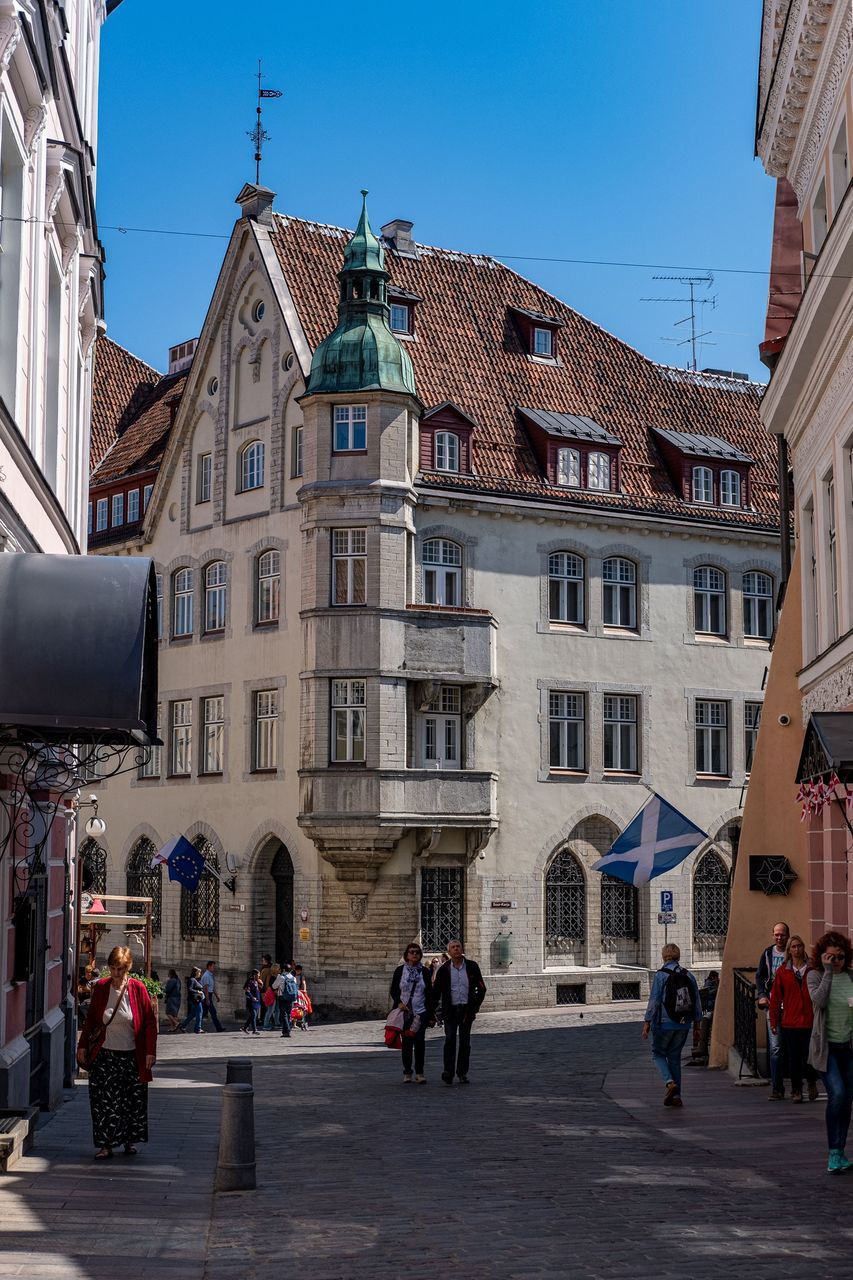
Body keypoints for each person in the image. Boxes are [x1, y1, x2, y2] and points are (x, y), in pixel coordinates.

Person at [76, 945, 157, 1159]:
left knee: (131, 1101)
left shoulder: (138, 989)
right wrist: (82, 1046)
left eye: (120, 969)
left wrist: (150, 1052)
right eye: (112, 968)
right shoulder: (102, 987)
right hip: (105, 1055)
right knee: (103, 1101)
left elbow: (149, 1022)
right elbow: (92, 1020)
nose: (116, 973)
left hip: (131, 1055)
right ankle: (106, 1145)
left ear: (128, 968)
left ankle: (129, 1141)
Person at [807, 931, 853, 1173]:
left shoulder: (851, 977)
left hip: (849, 1047)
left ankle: (841, 1152)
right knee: (837, 1094)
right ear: (822, 956)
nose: (837, 961)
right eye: (831, 957)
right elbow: (819, 1001)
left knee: (847, 1099)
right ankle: (833, 1152)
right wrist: (827, 972)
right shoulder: (814, 976)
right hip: (827, 1049)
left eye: (841, 957)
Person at [642, 943, 702, 1108]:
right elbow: (697, 1001)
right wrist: (697, 1025)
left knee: (658, 1054)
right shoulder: (688, 975)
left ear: (663, 957)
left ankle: (669, 1082)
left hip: (664, 1023)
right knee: (674, 1057)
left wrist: (647, 1021)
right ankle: (676, 1097)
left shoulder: (661, 975)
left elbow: (654, 1001)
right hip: (683, 1024)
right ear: (678, 957)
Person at [769, 935, 819, 1104]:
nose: (797, 949)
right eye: (794, 947)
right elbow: (776, 998)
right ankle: (796, 1089)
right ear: (789, 950)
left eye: (800, 946)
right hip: (790, 1021)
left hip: (810, 1020)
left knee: (810, 1055)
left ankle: (811, 1081)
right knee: (794, 1058)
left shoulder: (812, 969)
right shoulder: (783, 971)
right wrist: (773, 1021)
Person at [431, 939, 487, 1085]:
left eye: (458, 946)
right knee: (449, 1040)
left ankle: (462, 1073)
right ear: (448, 952)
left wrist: (475, 1006)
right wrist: (432, 1010)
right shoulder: (444, 970)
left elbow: (481, 988)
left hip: (466, 1010)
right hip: (450, 1010)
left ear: (461, 949)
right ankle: (448, 1071)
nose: (456, 949)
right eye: (453, 947)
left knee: (465, 1042)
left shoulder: (471, 966)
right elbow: (436, 992)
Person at [756, 921, 790, 1100]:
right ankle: (777, 1088)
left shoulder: (794, 952)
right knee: (775, 1048)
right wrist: (762, 994)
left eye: (782, 934)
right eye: (776, 934)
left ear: (787, 936)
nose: (779, 937)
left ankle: (799, 1085)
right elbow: (760, 976)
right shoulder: (768, 954)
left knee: (793, 1048)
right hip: (773, 1007)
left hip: (792, 1007)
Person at [390, 943, 434, 1083]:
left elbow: (429, 993)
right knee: (407, 1043)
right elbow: (394, 990)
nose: (414, 954)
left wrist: (431, 1013)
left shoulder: (425, 972)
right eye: (411, 952)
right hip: (405, 1013)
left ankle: (420, 1073)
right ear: (407, 954)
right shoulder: (400, 971)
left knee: (420, 1042)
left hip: (420, 1012)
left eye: (417, 952)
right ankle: (407, 1072)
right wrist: (399, 1002)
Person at [686, 970, 719, 1067]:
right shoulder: (709, 983)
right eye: (716, 977)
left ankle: (701, 1048)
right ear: (713, 977)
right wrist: (717, 987)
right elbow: (709, 992)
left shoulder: (710, 982)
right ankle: (701, 1049)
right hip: (710, 1005)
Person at [274, 964, 299, 1037]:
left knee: (284, 1014)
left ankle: (286, 1031)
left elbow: (274, 986)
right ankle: (287, 1030)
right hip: (291, 997)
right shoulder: (293, 978)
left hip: (282, 997)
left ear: (283, 970)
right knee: (288, 1014)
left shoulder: (281, 977)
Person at [179, 967, 205, 1033]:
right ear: (196, 972)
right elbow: (189, 989)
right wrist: (198, 992)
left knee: (192, 1014)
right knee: (199, 1012)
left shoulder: (194, 980)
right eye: (199, 972)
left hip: (196, 999)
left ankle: (183, 1026)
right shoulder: (192, 980)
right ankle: (198, 1028)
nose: (200, 974)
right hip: (195, 1000)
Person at [201, 960, 224, 1032]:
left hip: (209, 995)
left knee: (204, 1013)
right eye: (213, 966)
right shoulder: (206, 975)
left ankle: (219, 1028)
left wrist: (217, 996)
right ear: (209, 966)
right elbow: (206, 988)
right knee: (211, 1013)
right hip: (206, 995)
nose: (214, 968)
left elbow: (212, 987)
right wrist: (207, 999)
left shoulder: (210, 975)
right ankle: (219, 1028)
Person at [293, 964, 312, 1030]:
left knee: (301, 1007)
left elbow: (304, 983)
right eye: (297, 970)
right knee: (296, 1008)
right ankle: (295, 1023)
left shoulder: (301, 976)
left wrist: (304, 991)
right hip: (296, 993)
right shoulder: (293, 976)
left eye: (298, 971)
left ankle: (300, 1022)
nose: (297, 971)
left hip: (300, 993)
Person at [243, 970, 262, 1035]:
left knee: (253, 1015)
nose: (259, 976)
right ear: (254, 975)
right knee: (253, 1015)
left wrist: (261, 984)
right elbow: (247, 991)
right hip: (251, 1002)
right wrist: (252, 997)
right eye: (258, 975)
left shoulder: (256, 981)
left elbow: (258, 989)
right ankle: (254, 1030)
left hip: (257, 1001)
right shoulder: (250, 981)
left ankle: (245, 1027)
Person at [263, 964, 282, 1030]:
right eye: (279, 969)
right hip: (272, 996)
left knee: (277, 1010)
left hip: (276, 996)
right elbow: (273, 988)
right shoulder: (272, 978)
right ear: (275, 970)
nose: (280, 970)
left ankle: (277, 1023)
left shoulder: (278, 977)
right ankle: (265, 1025)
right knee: (270, 1010)